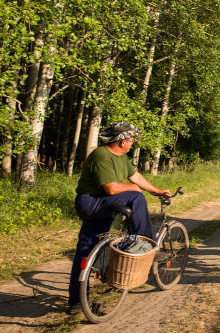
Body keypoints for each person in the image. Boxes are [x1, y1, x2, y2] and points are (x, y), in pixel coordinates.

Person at [67, 120, 171, 314]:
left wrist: (157, 191)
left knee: (85, 251)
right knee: (136, 196)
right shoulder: (101, 155)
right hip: (92, 202)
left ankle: (76, 302)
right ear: (122, 141)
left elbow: (135, 177)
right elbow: (112, 188)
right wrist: (135, 190)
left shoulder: (121, 157)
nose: (133, 143)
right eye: (131, 140)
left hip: (104, 203)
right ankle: (148, 244)